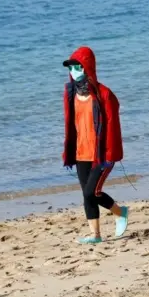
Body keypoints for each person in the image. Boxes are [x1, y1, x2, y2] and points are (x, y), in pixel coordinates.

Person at [61, 46, 128, 244]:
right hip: (81, 152)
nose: (73, 71)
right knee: (86, 195)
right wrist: (68, 151)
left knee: (93, 192)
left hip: (101, 154)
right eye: (70, 68)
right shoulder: (70, 94)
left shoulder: (105, 95)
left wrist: (111, 156)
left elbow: (113, 127)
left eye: (77, 67)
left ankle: (119, 212)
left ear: (87, 68)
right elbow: (71, 125)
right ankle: (95, 235)